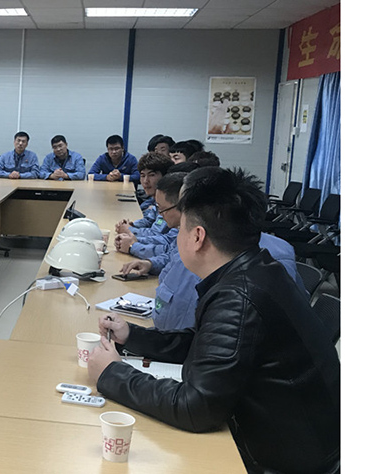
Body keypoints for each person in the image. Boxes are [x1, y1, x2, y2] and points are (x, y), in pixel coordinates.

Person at [89, 167, 340, 474]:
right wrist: (133, 336)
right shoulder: (256, 270)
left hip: (281, 462)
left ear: (197, 237)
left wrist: (112, 373)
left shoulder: (239, 297)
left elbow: (196, 407)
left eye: (181, 228)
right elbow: (207, 347)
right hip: (290, 440)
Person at [118, 170, 306, 331]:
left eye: (182, 226)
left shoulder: (235, 292)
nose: (177, 233)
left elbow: (195, 341)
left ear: (198, 236)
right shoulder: (226, 251)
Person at [114, 152, 174, 257]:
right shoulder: (156, 201)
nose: (146, 181)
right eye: (142, 176)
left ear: (165, 177)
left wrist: (130, 231)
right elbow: (149, 220)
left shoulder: (169, 202)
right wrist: (133, 224)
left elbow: (156, 233)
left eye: (152, 175)